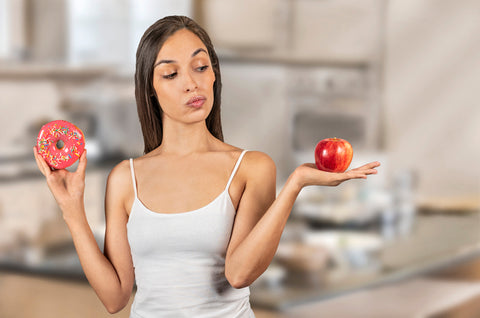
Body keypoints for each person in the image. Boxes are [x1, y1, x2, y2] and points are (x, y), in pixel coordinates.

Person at [33, 15, 380, 318]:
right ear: (151, 89)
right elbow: (115, 298)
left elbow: (239, 274)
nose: (191, 83)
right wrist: (71, 210)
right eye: (170, 74)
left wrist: (295, 184)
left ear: (214, 75)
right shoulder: (125, 178)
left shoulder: (252, 168)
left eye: (200, 67)